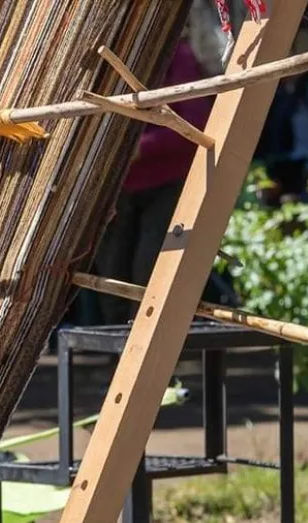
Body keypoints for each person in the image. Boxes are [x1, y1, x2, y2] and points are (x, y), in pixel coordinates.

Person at [94, 36, 214, 325]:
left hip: (164, 184)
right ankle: (120, 345)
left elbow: (195, 124)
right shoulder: (106, 59)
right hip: (117, 187)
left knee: (150, 271)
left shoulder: (176, 55)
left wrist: (141, 148)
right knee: (111, 273)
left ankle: (145, 342)